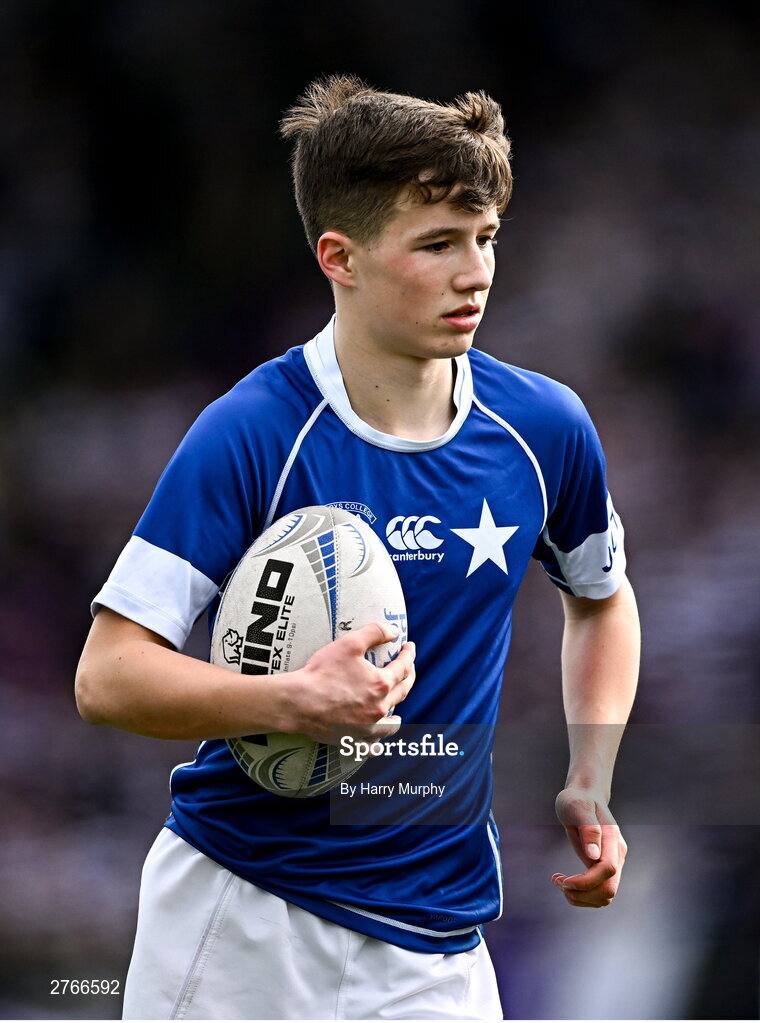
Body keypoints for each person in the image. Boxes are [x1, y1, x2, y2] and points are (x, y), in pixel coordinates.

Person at [76, 75, 640, 1020]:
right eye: (437, 245)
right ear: (340, 256)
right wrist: (290, 700)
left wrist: (591, 774)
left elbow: (602, 594)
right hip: (243, 916)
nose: (477, 273)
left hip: (440, 945)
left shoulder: (543, 428)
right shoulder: (253, 430)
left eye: (486, 237)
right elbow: (107, 677)